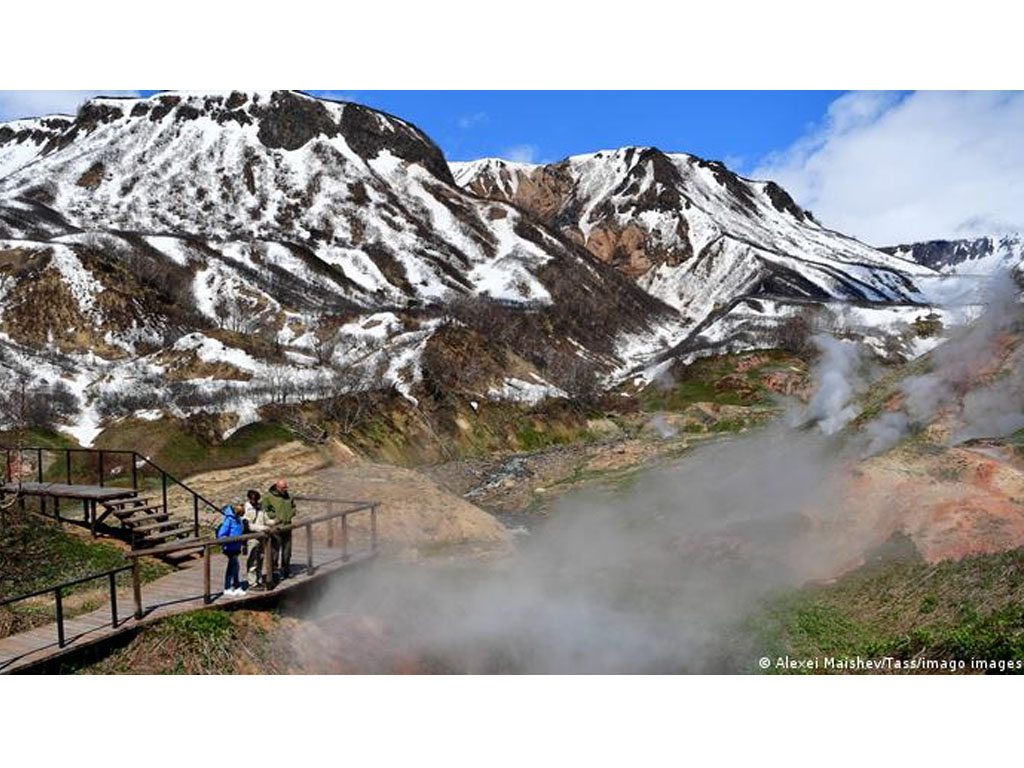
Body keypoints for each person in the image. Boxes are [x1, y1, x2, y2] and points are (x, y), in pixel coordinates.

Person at [265, 478, 297, 579]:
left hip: (287, 526)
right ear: (277, 487)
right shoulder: (268, 496)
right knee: (274, 551)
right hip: (276, 528)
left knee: (287, 551)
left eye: (286, 487)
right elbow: (264, 510)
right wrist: (274, 517)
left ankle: (286, 570)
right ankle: (273, 572)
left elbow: (293, 506)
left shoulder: (289, 496)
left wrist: (291, 513)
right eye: (283, 488)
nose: (286, 489)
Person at [216, 504, 245, 597]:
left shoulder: (238, 519)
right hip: (229, 547)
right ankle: (232, 586)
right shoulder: (229, 520)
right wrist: (229, 539)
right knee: (234, 567)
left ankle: (231, 587)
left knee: (232, 567)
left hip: (236, 546)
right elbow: (221, 534)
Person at [243, 490, 268, 590]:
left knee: (260, 558)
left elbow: (266, 519)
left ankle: (259, 580)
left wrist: (274, 522)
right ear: (249, 499)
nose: (255, 501)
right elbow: (248, 526)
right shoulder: (247, 510)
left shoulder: (260, 508)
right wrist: (263, 528)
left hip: (261, 537)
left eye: (256, 500)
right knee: (252, 560)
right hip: (252, 538)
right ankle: (252, 582)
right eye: (253, 500)